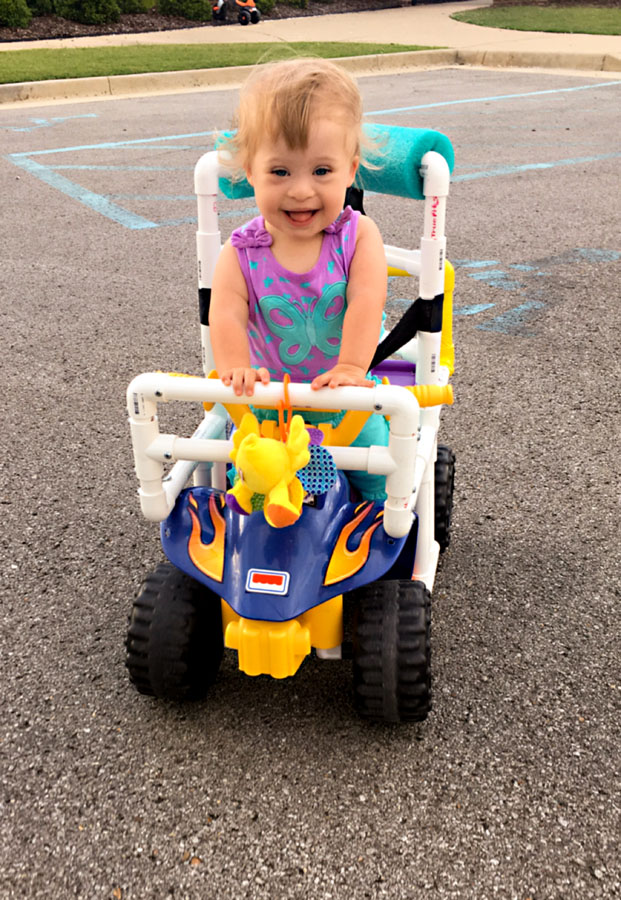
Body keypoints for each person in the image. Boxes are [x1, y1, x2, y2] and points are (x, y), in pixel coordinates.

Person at [210, 57, 388, 500]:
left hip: (344, 400)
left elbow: (367, 301)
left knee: (377, 467)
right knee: (251, 475)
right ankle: (250, 533)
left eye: (322, 171)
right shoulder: (240, 252)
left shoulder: (358, 236)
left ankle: (379, 525)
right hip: (271, 400)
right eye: (280, 171)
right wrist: (236, 369)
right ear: (250, 170)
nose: (301, 190)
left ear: (350, 170)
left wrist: (350, 367)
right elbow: (226, 313)